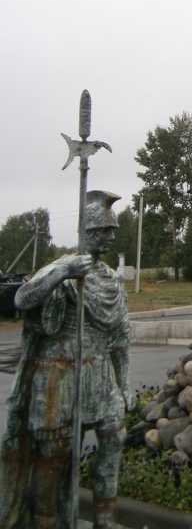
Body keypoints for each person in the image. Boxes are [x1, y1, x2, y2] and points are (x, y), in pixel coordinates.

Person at [0, 191, 131, 529]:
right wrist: (63, 273)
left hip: (100, 373)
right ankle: (46, 521)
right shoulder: (62, 267)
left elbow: (121, 337)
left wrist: (125, 383)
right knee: (54, 456)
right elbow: (22, 299)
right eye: (105, 230)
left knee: (114, 437)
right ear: (87, 231)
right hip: (60, 373)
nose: (111, 236)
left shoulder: (111, 279)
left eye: (113, 230)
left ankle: (105, 520)